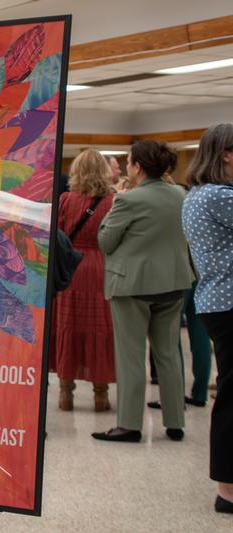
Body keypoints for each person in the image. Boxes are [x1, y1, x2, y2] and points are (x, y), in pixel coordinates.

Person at [92, 140, 194, 443]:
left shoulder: (128, 200)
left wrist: (114, 206)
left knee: (131, 356)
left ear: (138, 166)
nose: (126, 167)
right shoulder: (181, 194)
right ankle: (175, 422)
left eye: (129, 162)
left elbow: (106, 241)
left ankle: (129, 424)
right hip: (174, 282)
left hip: (132, 286)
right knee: (169, 355)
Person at [181, 123, 233, 514]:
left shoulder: (200, 194)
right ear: (227, 154)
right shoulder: (219, 196)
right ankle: (228, 489)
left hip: (216, 300)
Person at [54, 149, 116, 411]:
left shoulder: (66, 199)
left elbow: (56, 233)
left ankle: (66, 393)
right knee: (100, 328)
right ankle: (100, 395)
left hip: (72, 266)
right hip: (102, 268)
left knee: (68, 325)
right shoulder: (112, 201)